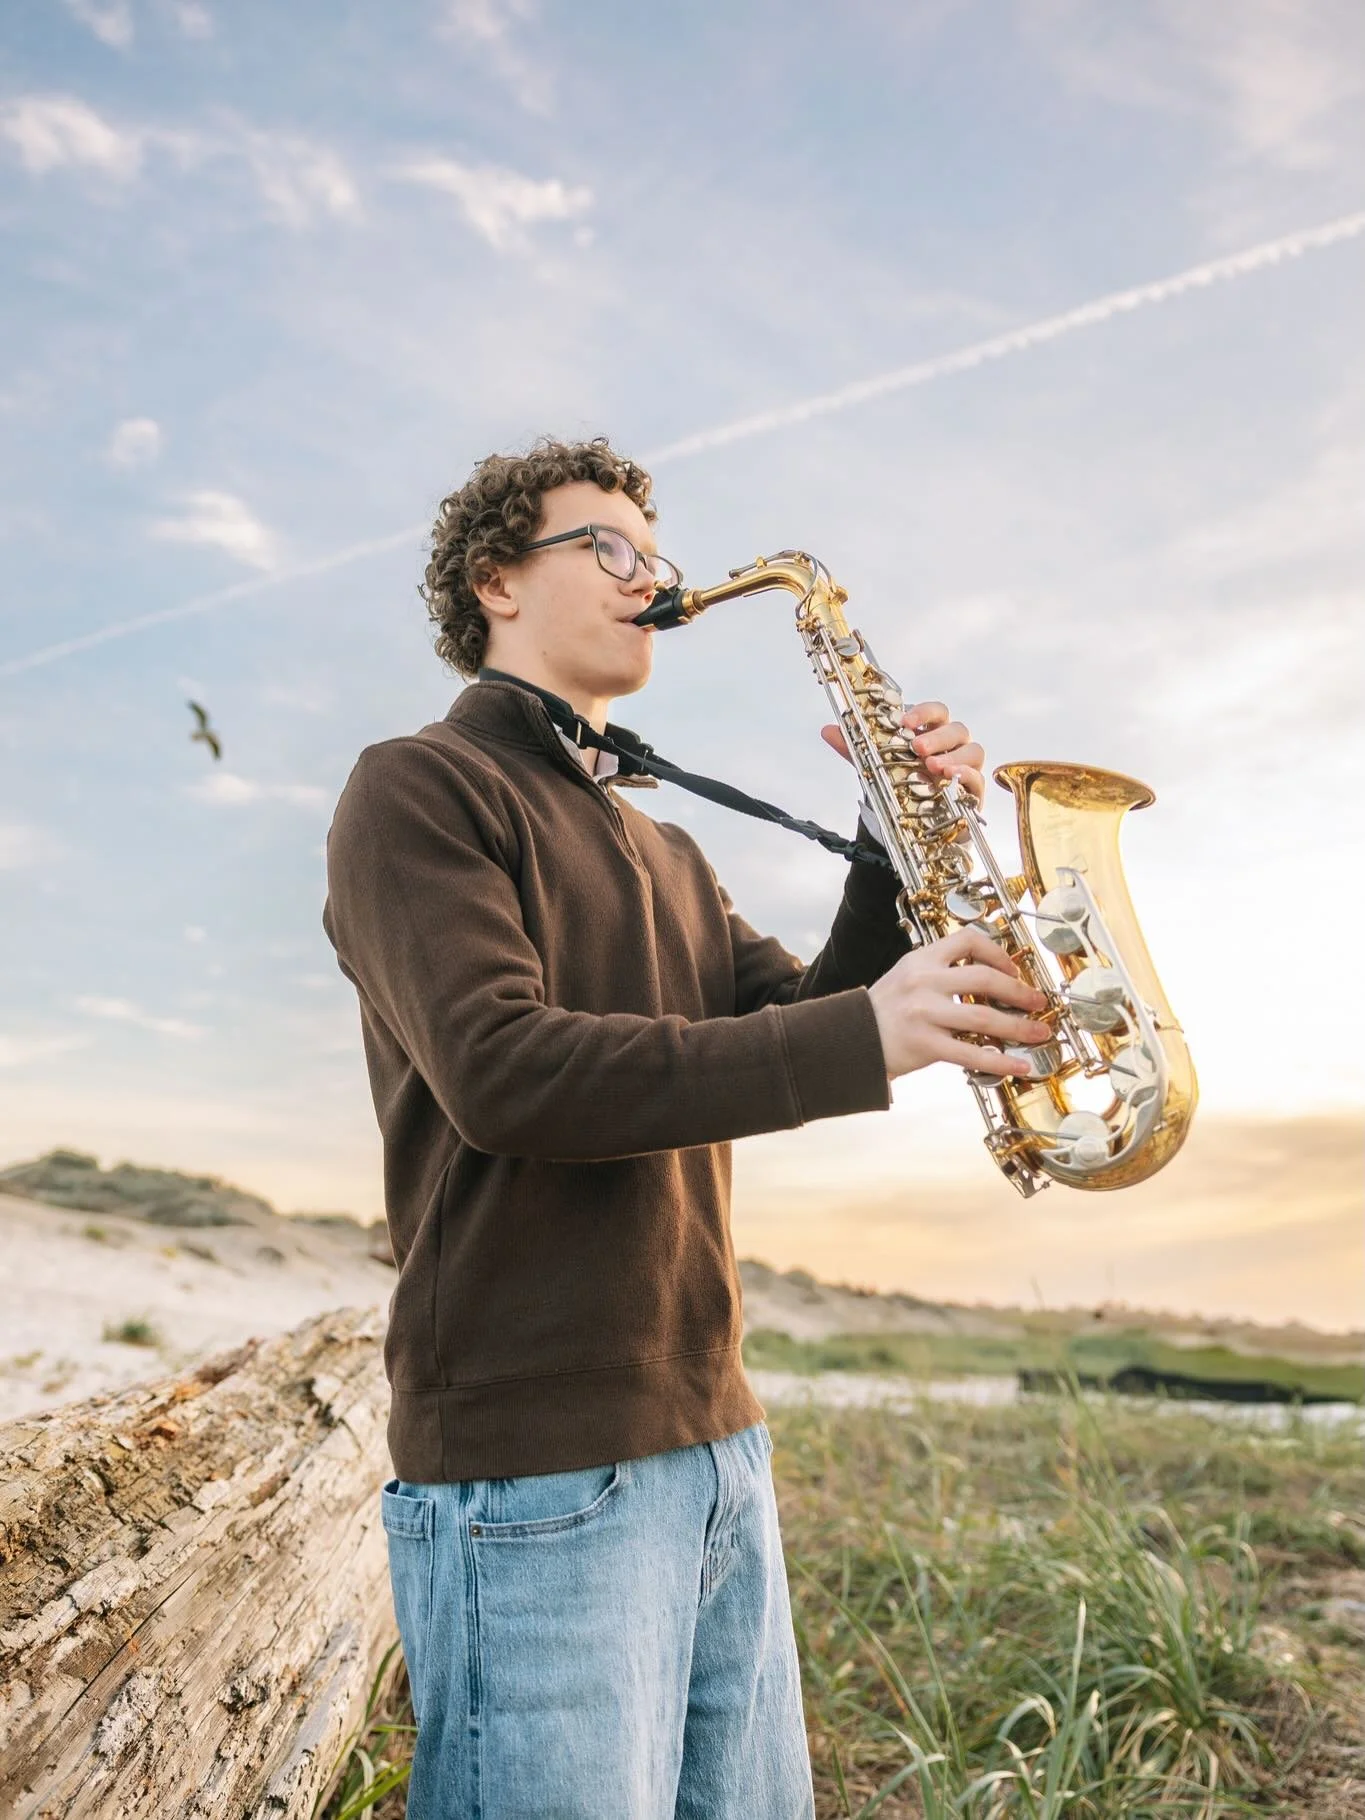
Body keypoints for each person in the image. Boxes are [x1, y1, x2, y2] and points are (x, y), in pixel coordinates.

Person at [322, 436, 1049, 1820]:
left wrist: (896, 836)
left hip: (716, 1447)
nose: (652, 580)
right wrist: (864, 1032)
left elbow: (806, 1015)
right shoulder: (416, 790)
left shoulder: (667, 850)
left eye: (652, 555)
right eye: (606, 548)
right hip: (532, 1474)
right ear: (495, 582)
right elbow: (503, 1073)